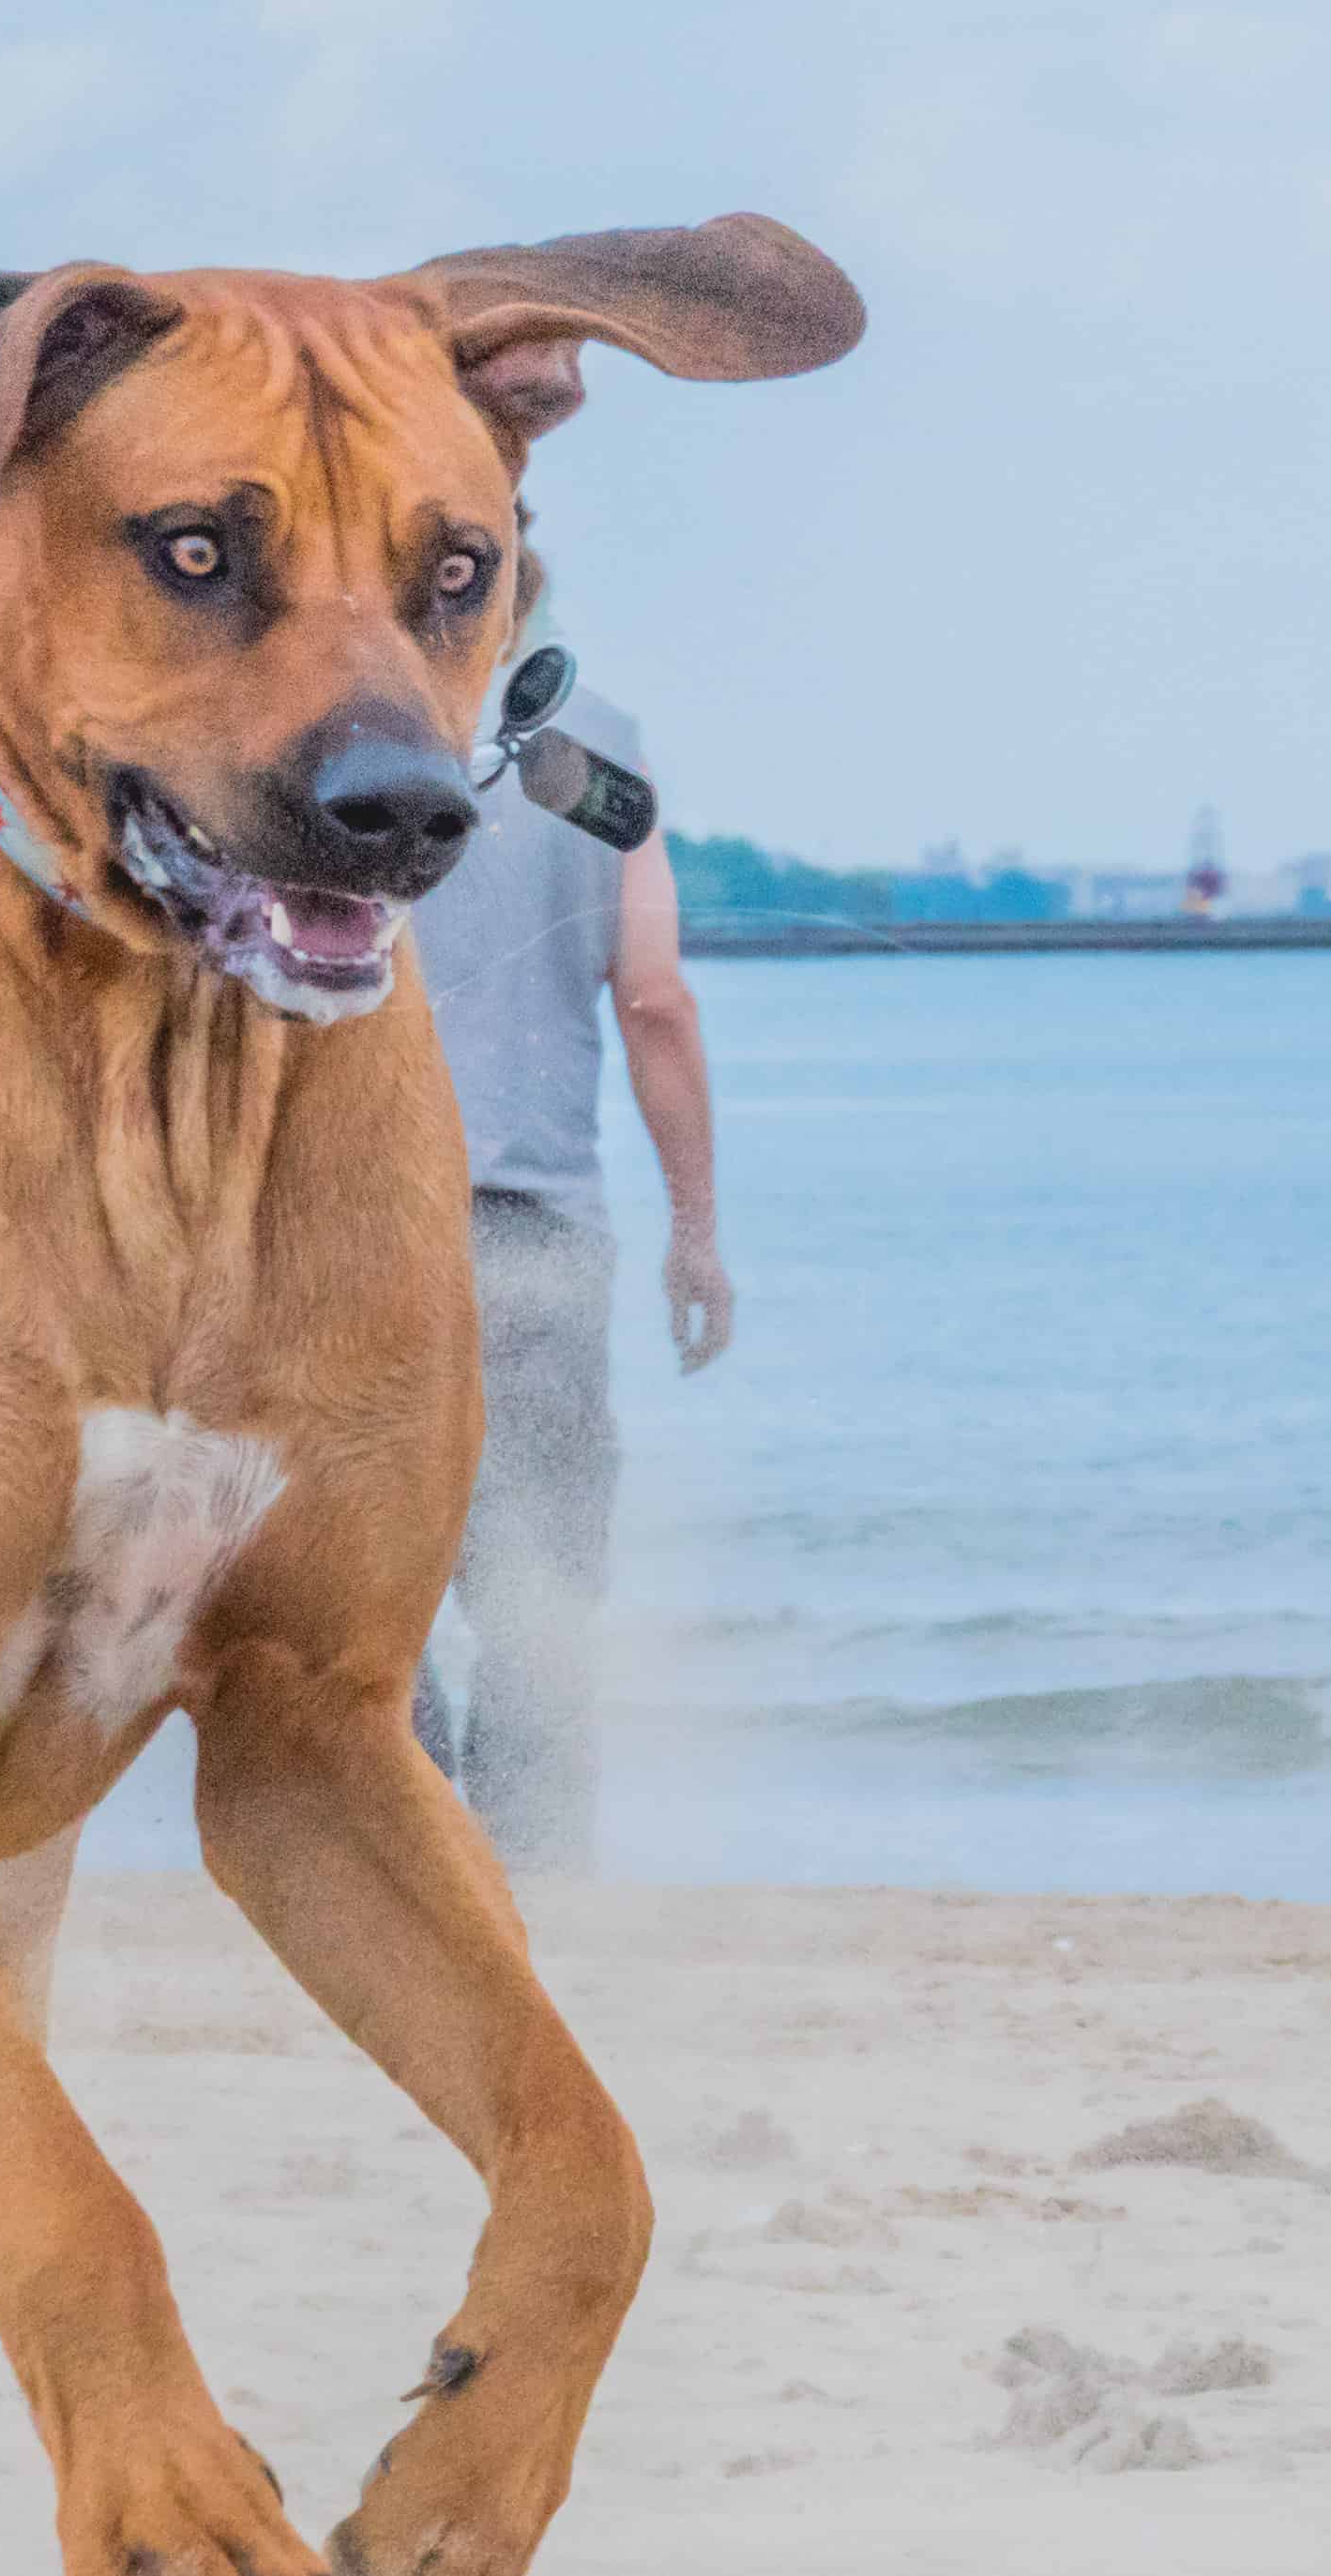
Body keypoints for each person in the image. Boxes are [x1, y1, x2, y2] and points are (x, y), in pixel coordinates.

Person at [406, 575, 730, 1874]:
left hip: (333, 1226)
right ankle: (536, 1900)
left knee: (354, 1599)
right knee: (539, 1601)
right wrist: (694, 1232)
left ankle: (404, 1874)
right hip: (530, 1228)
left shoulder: (316, 730)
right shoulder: (591, 748)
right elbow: (653, 1001)